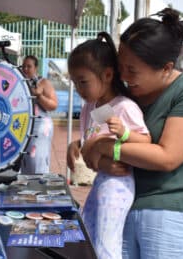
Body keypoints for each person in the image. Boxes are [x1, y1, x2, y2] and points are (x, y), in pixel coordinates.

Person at [68, 8, 183, 259]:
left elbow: (166, 157)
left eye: (132, 70)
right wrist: (84, 144)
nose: (123, 76)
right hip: (122, 208)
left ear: (166, 68)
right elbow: (97, 143)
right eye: (121, 66)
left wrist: (103, 147)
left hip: (167, 213)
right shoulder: (125, 95)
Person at [67, 32, 151, 259]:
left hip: (117, 185)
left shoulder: (124, 107)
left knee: (106, 245)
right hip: (102, 181)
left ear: (106, 75)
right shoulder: (95, 107)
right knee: (90, 236)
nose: (79, 89)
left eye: (83, 82)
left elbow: (145, 141)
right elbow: (94, 137)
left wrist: (124, 133)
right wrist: (76, 145)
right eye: (74, 83)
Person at [20, 55, 58, 174]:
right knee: (26, 161)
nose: (25, 69)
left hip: (41, 128)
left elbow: (53, 104)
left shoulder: (43, 82)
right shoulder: (20, 83)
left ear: (36, 68)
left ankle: (39, 187)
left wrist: (39, 96)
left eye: (29, 66)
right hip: (24, 128)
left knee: (38, 160)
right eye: (23, 66)